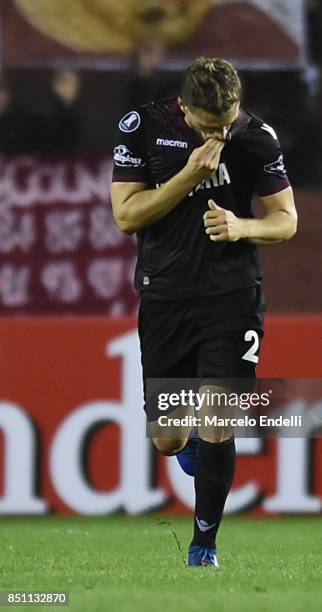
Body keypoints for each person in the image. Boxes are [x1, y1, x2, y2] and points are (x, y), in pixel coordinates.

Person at [111, 57, 297, 567]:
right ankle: (190, 445)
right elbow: (126, 216)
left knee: (217, 422)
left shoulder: (256, 137)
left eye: (228, 119)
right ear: (185, 109)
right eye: (209, 125)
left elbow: (285, 221)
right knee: (169, 440)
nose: (220, 132)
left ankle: (203, 547)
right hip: (166, 294)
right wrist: (189, 174)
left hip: (232, 296)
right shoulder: (143, 127)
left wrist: (242, 227)